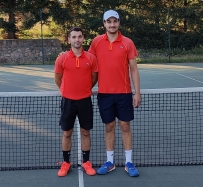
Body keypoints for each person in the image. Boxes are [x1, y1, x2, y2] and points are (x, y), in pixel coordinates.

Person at [88, 10, 141, 177]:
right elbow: (87, 61)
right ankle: (110, 162)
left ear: (119, 23)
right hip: (104, 94)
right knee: (109, 127)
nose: (112, 24)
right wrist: (65, 54)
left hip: (124, 93)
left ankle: (128, 162)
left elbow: (134, 69)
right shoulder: (96, 42)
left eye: (115, 21)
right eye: (108, 21)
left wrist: (137, 92)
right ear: (104, 23)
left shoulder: (127, 42)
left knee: (125, 127)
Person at [54, 26, 98, 177]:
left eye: (79, 36)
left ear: (83, 39)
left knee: (85, 132)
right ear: (69, 39)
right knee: (67, 133)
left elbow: (94, 78)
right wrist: (67, 90)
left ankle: (86, 162)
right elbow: (57, 79)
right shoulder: (62, 58)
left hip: (85, 101)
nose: (77, 39)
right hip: (68, 102)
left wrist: (84, 89)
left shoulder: (91, 58)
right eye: (74, 37)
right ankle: (66, 163)